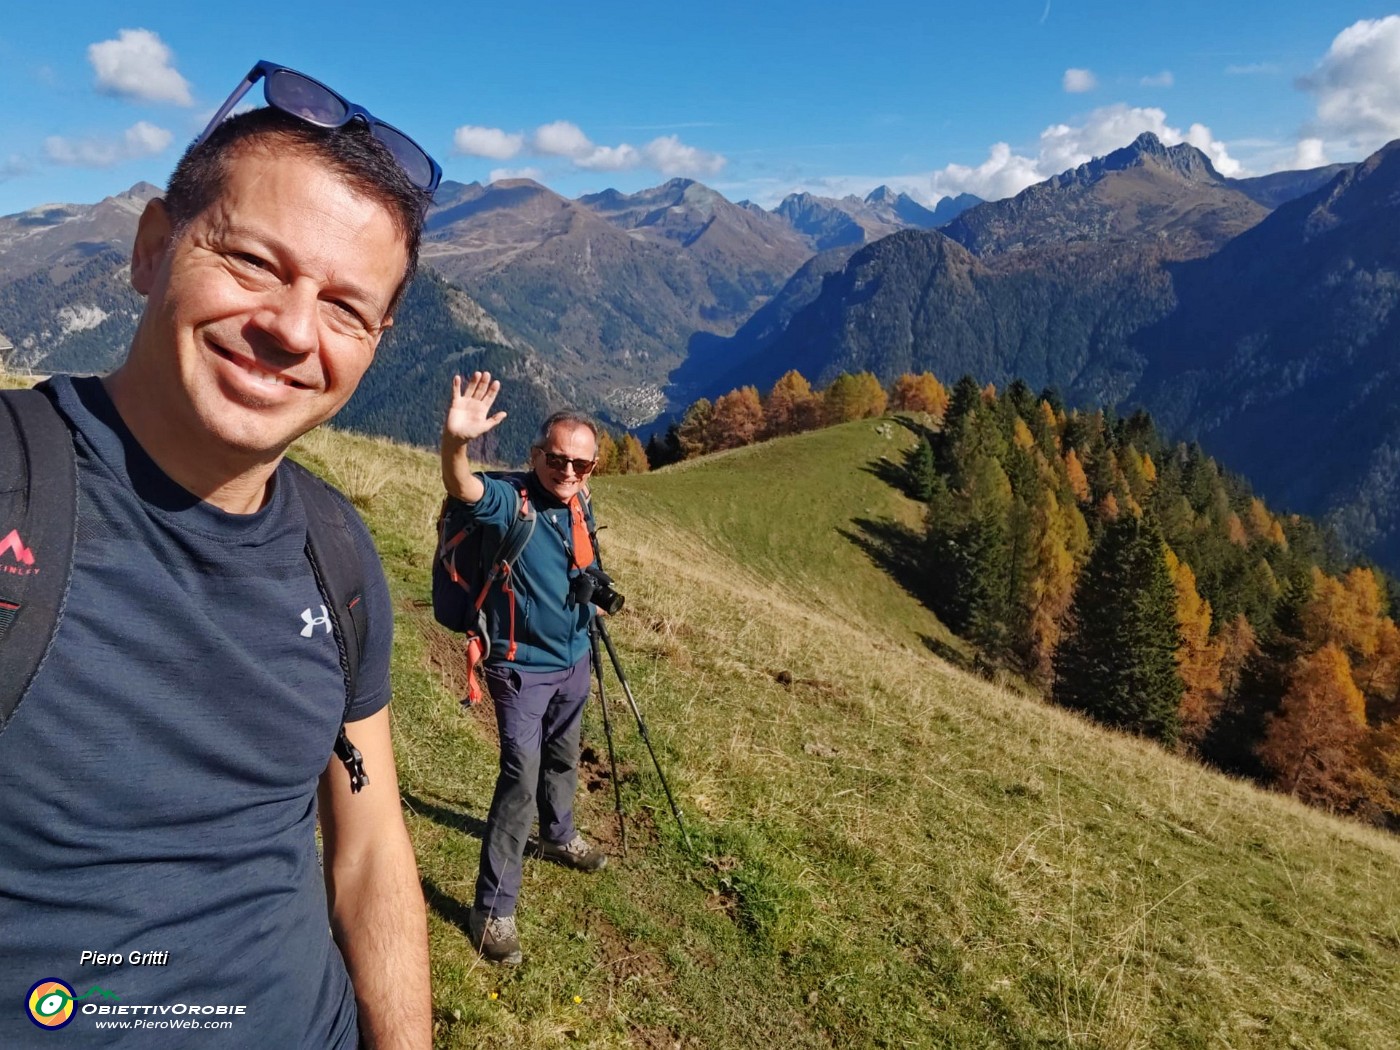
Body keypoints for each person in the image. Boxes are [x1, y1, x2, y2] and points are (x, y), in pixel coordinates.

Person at [0, 62, 439, 1048]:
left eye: (344, 308)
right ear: (153, 248)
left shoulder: (339, 556)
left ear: (374, 345)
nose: (290, 329)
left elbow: (366, 841)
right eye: (250, 261)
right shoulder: (12, 493)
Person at [440, 372, 610, 966]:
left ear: (592, 469)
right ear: (536, 454)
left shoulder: (581, 502)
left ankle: (559, 834)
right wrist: (455, 441)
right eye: (557, 459)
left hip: (574, 659)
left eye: (581, 465)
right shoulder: (506, 502)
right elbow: (460, 485)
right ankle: (492, 912)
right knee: (519, 780)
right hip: (519, 668)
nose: (568, 472)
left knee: (564, 756)